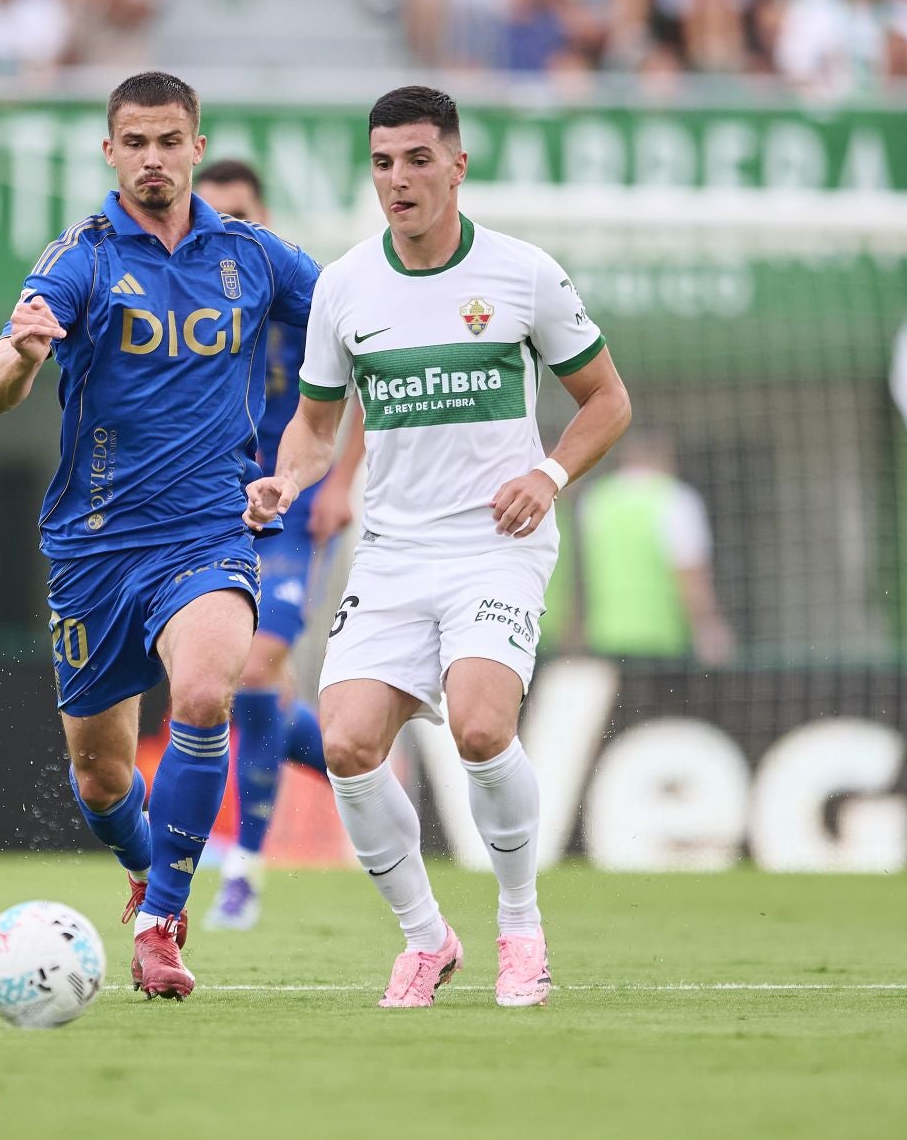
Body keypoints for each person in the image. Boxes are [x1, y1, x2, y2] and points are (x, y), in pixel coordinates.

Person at [251, 85, 631, 1009]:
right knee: (344, 745)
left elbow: (608, 403)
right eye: (383, 162)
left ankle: (519, 928)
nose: (399, 179)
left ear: (458, 164)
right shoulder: (343, 287)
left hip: (497, 545)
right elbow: (313, 425)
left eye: (419, 159)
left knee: (480, 727)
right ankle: (428, 940)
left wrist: (546, 476)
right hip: (390, 552)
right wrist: (287, 479)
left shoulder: (522, 274)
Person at [0, 72, 320, 999]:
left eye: (170, 141)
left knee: (208, 692)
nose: (154, 158)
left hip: (207, 529)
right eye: (136, 142)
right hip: (94, 547)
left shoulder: (250, 256)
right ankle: (141, 868)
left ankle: (164, 922)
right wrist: (22, 354)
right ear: (110, 151)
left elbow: (352, 320)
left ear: (196, 147)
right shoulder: (80, 258)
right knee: (99, 781)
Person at [190, 159, 364, 932]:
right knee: (227, 683)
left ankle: (245, 869)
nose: (227, 224)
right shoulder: (190, 295)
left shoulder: (297, 292)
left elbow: (361, 382)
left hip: (292, 505)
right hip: (208, 507)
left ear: (261, 216)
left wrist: (341, 484)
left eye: (239, 211)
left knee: (260, 663)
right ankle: (359, 765)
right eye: (214, 212)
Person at [576, 430, 734, 666]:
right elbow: (691, 577)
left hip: (605, 640)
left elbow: (582, 575)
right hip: (661, 643)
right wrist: (709, 628)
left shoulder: (596, 499)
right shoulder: (676, 499)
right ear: (667, 457)